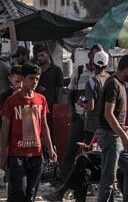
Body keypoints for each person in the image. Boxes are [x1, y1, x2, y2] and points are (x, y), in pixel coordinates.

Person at [0, 63, 57, 202]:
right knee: (18, 192)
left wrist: (50, 149)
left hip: (36, 154)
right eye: (31, 78)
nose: (35, 82)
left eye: (37, 79)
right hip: (16, 155)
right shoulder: (11, 102)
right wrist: (3, 153)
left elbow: (44, 126)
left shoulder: (41, 100)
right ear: (23, 79)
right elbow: (5, 129)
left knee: (30, 194)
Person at [96, 53, 128, 202]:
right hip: (111, 136)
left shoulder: (119, 84)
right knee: (108, 179)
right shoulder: (113, 83)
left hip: (117, 136)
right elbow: (108, 114)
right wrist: (124, 136)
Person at [62, 44, 103, 177]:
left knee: (91, 150)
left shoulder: (102, 76)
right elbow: (70, 92)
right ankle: (64, 178)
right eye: (95, 55)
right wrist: (71, 109)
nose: (97, 58)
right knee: (71, 148)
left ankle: (88, 179)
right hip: (79, 116)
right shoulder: (79, 71)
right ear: (90, 56)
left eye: (100, 56)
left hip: (94, 120)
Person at [33, 44, 63, 135]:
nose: (40, 58)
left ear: (48, 55)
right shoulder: (36, 70)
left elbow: (59, 88)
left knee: (51, 130)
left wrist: (58, 104)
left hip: (51, 105)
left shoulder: (56, 70)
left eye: (42, 55)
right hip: (37, 105)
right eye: (38, 56)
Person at [82, 51, 110, 142]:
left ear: (93, 64)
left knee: (91, 153)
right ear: (106, 65)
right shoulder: (111, 79)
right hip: (108, 125)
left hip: (92, 127)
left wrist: (81, 103)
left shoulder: (91, 82)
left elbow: (90, 107)